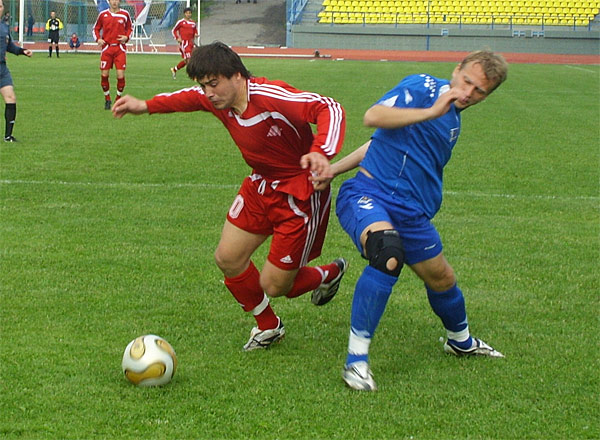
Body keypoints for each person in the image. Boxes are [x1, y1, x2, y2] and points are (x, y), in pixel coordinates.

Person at [113, 42, 347, 351]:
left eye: (214, 83)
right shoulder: (216, 99)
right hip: (260, 186)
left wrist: (321, 152)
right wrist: (144, 105)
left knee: (276, 286)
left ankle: (329, 273)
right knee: (228, 258)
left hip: (299, 193)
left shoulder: (269, 96)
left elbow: (328, 107)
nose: (208, 92)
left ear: (237, 76)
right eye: (204, 84)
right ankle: (269, 327)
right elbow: (187, 99)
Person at [312, 50, 509, 391]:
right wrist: (430, 111)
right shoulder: (424, 88)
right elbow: (374, 117)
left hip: (411, 212)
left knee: (442, 278)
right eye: (466, 82)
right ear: (456, 69)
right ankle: (356, 362)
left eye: (479, 91)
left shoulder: (454, 121)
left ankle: (459, 341)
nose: (467, 94)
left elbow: (377, 143)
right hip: (368, 194)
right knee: (387, 253)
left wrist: (333, 169)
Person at [0, 0, 32, 143]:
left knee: (11, 98)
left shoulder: (4, 27)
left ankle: (8, 136)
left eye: (0, 6)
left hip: (2, 69)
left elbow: (9, 46)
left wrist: (22, 51)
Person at [93, 0, 132, 110]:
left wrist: (127, 37)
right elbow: (96, 28)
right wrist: (98, 39)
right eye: (112, 0)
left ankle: (118, 99)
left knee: (120, 75)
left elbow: (130, 28)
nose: (114, 2)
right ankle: (107, 99)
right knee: (104, 75)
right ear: (109, 1)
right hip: (107, 48)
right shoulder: (103, 14)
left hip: (119, 49)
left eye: (116, 0)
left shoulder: (125, 14)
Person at [170, 7, 197, 79]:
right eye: (187, 13)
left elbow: (195, 30)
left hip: (191, 43)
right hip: (184, 44)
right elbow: (173, 30)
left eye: (190, 13)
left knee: (187, 60)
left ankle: (174, 69)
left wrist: (196, 34)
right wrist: (177, 38)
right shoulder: (181, 22)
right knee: (189, 59)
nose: (188, 14)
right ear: (184, 14)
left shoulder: (193, 23)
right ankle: (193, 75)